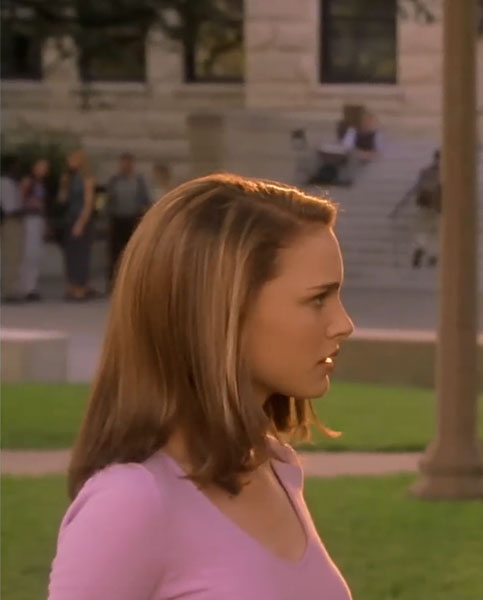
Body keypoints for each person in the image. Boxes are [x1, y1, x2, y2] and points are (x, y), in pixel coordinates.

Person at [48, 174, 355, 600]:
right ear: (222, 310)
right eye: (318, 299)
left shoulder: (275, 467)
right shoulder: (132, 503)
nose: (344, 324)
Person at [105, 152, 152, 287]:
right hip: (117, 220)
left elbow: (145, 201)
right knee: (115, 253)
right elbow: (108, 200)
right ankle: (114, 283)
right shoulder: (114, 181)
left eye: (128, 164)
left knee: (132, 252)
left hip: (133, 220)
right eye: (123, 163)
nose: (125, 166)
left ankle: (132, 282)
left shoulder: (139, 181)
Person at [391, 149, 441, 269]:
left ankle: (421, 247)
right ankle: (433, 254)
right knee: (436, 232)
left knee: (424, 230)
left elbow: (417, 187)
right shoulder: (448, 172)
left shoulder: (425, 171)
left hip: (424, 205)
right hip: (439, 206)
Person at [58, 150, 98, 301]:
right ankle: (72, 286)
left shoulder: (87, 178)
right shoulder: (70, 177)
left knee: (81, 254)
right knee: (71, 254)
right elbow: (62, 200)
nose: (69, 161)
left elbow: (88, 204)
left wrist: (81, 223)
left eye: (72, 158)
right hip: (70, 217)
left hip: (82, 218)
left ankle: (81, 288)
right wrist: (63, 185)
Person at [18, 157, 51, 301]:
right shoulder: (29, 181)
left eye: (45, 168)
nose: (43, 170)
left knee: (37, 254)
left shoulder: (42, 184)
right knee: (29, 253)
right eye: (41, 167)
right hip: (29, 219)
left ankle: (32, 286)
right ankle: (26, 287)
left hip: (39, 219)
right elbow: (20, 198)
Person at [1, 154, 24, 303]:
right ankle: (9, 291)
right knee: (12, 256)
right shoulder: (7, 183)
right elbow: (11, 207)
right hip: (10, 221)